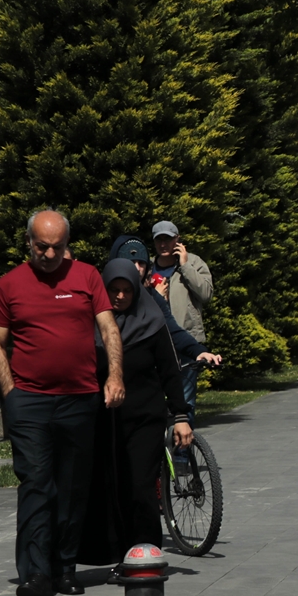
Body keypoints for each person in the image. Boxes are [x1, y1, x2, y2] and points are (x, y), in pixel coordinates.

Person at [0, 210, 125, 596]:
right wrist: (11, 392)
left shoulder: (86, 277)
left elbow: (108, 328)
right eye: (41, 246)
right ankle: (35, 574)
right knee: (35, 483)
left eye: (57, 247)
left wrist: (114, 376)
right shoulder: (10, 284)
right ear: (28, 241)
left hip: (78, 399)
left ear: (68, 244)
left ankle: (65, 567)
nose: (49, 254)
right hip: (29, 401)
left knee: (71, 486)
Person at [78, 260, 192, 569]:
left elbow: (170, 371)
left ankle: (145, 554)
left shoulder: (152, 321)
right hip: (104, 419)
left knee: (140, 485)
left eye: (126, 291)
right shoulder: (91, 324)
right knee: (109, 486)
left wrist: (180, 415)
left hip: (144, 417)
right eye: (113, 291)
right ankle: (115, 557)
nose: (119, 297)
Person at [110, 235, 221, 367]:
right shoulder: (100, 295)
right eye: (131, 262)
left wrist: (198, 351)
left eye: (141, 263)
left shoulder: (152, 298)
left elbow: (171, 330)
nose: (137, 269)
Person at [149, 220, 213, 424]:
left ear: (178, 240)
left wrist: (185, 266)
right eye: (159, 240)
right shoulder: (147, 268)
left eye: (168, 239)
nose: (163, 244)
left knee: (185, 403)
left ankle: (183, 455)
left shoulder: (194, 263)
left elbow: (206, 294)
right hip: (157, 342)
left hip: (187, 342)